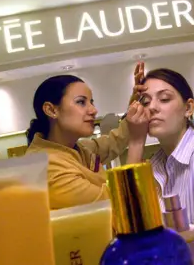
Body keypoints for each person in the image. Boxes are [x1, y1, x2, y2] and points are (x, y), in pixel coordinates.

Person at [26, 75, 149, 210]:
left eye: (91, 102)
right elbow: (119, 207)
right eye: (81, 102)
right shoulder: (47, 169)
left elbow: (114, 141)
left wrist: (135, 106)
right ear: (51, 110)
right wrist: (137, 142)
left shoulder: (77, 148)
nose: (93, 110)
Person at [134, 65, 194, 228]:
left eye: (165, 99)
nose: (152, 107)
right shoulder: (155, 165)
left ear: (188, 108)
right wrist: (136, 138)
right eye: (146, 101)